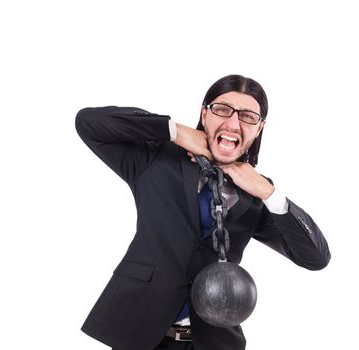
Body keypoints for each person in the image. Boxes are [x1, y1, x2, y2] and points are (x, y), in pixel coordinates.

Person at [76, 74, 331, 350]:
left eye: (247, 117)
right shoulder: (156, 161)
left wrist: (270, 193)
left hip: (212, 342)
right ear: (204, 114)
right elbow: (89, 123)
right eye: (222, 110)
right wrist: (175, 131)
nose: (233, 123)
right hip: (139, 333)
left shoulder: (256, 197)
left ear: (260, 128)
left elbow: (315, 257)